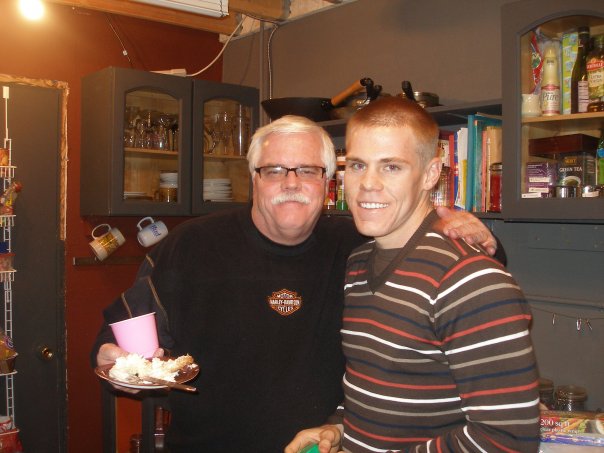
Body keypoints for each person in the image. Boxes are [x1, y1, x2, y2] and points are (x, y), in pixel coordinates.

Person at [92, 114, 500, 452]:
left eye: (307, 170)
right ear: (253, 178)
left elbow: (459, 276)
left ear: (328, 181)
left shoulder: (360, 246)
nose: (291, 183)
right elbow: (124, 330)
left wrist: (458, 225)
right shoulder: (191, 245)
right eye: (274, 171)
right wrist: (112, 355)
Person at [285, 98, 540, 453]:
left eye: (391, 167)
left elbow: (507, 441)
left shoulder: (471, 281)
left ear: (431, 174)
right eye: (357, 165)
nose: (367, 184)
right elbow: (378, 387)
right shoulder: (358, 263)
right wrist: (339, 428)